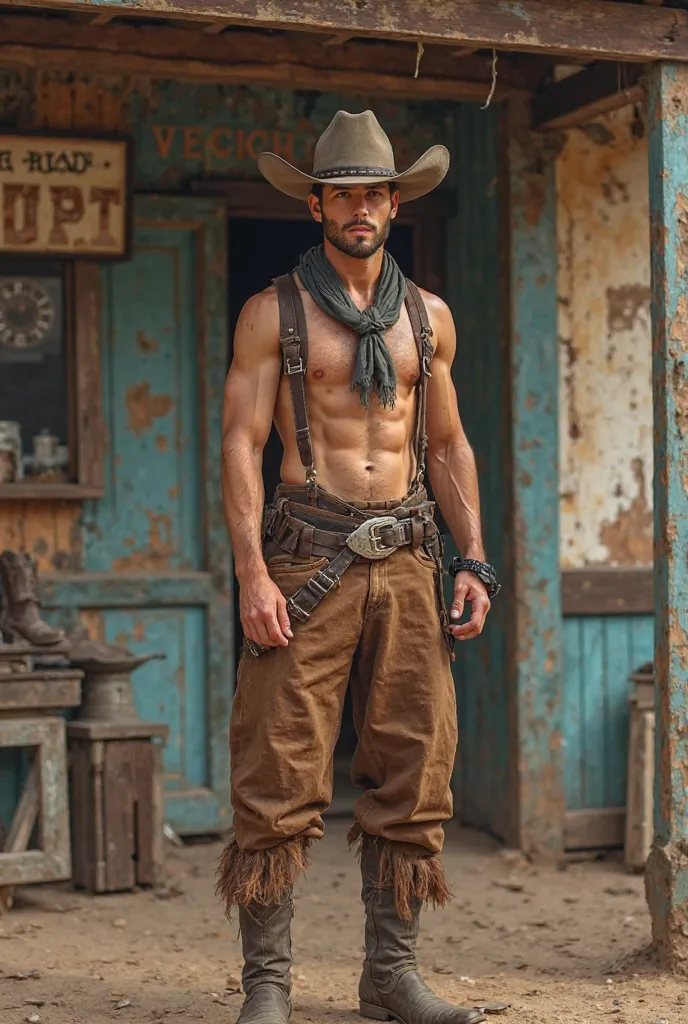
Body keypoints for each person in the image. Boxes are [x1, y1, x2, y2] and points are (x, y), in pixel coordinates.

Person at [219, 110, 499, 1024]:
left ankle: (392, 974)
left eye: (376, 192)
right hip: (308, 559)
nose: (362, 208)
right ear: (317, 204)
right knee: (280, 768)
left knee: (417, 766)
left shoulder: (430, 318)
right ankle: (268, 987)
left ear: (393, 201)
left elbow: (450, 446)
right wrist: (253, 574)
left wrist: (476, 561)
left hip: (413, 559)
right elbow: (239, 443)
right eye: (345, 193)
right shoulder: (274, 312)